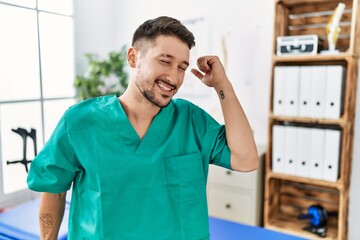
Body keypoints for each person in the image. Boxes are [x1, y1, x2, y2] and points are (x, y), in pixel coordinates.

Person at [27, 16, 259, 240]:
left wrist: (222, 85)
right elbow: (54, 188)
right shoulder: (80, 121)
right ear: (132, 57)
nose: (174, 77)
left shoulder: (190, 120)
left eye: (182, 67)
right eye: (165, 61)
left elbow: (246, 159)